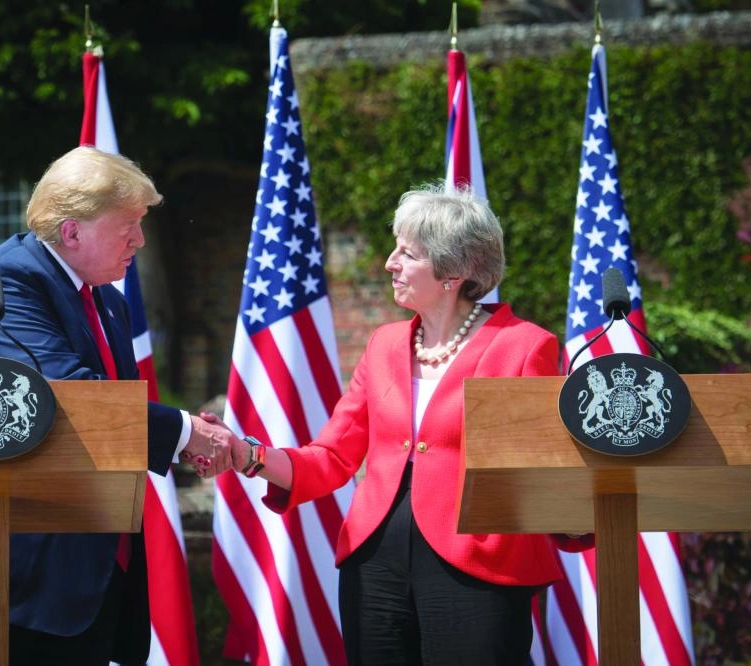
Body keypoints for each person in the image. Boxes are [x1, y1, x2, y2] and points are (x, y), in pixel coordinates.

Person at [201, 183, 590, 664]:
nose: (390, 262)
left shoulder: (524, 346)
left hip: (478, 565)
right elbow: (332, 457)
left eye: (408, 253)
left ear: (455, 271)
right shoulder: (384, 345)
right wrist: (248, 455)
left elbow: (543, 465)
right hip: (374, 565)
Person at [0, 146, 233, 665]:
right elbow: (67, 398)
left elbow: (110, 412)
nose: (139, 239)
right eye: (129, 225)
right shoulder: (4, 282)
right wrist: (184, 433)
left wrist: (180, 440)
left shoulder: (107, 301)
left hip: (75, 590)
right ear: (72, 232)